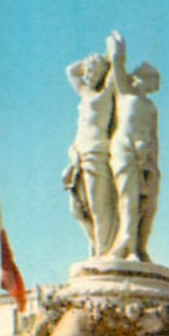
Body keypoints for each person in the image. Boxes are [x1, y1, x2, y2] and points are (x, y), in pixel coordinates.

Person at [107, 32, 161, 263]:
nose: (155, 85)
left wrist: (153, 164)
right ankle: (125, 244)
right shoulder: (125, 93)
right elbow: (117, 65)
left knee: (148, 204)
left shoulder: (150, 106)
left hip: (146, 156)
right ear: (140, 78)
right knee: (128, 197)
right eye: (152, 80)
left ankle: (139, 246)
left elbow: (154, 136)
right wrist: (118, 48)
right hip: (125, 149)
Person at [65, 48, 118, 258]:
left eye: (92, 71)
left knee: (99, 207)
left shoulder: (107, 93)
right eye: (87, 71)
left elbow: (117, 66)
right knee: (77, 207)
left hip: (97, 152)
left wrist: (110, 55)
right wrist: (88, 62)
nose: (87, 75)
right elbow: (70, 70)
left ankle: (104, 253)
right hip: (79, 155)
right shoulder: (85, 93)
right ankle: (97, 243)